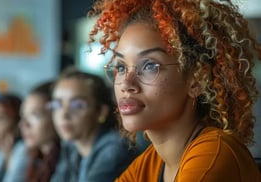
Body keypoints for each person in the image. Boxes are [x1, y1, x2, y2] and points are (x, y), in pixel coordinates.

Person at [88, 0, 261, 181]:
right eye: (121, 67)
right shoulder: (149, 165)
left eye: (149, 66)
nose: (126, 83)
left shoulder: (215, 154)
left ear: (197, 80)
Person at [50, 68, 140, 182]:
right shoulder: (71, 147)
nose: (64, 114)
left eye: (77, 105)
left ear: (101, 112)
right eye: (57, 105)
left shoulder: (114, 150)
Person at [19, 81, 60, 182]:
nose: (24, 124)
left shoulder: (70, 159)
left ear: (56, 116)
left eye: (35, 115)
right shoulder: (33, 157)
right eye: (23, 116)